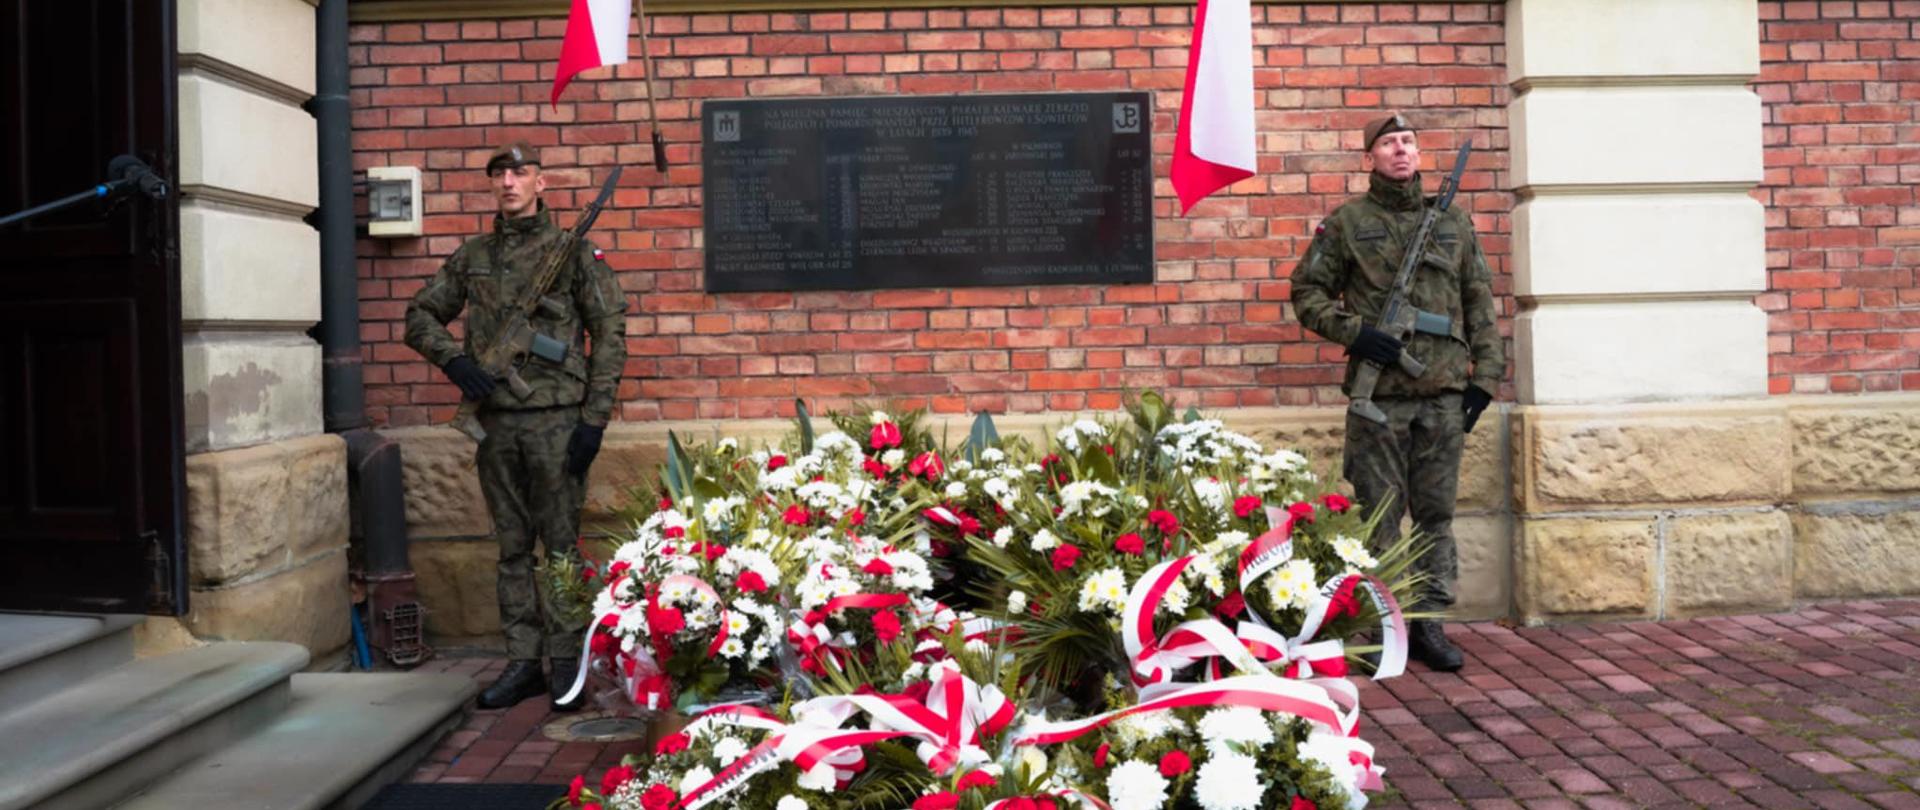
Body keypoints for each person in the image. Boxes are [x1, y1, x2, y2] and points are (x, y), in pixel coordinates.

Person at [405, 141, 628, 709]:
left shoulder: (574, 253)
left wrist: (594, 420)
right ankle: (523, 662)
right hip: (497, 425)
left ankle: (567, 665)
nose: (508, 182)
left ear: (540, 183)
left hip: (558, 422)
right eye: (499, 174)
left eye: (520, 173)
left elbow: (609, 335)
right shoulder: (474, 255)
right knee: (510, 550)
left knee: (559, 549)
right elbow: (420, 314)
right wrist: (453, 361)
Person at [1288, 113, 1505, 672]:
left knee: (1435, 516)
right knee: (1377, 517)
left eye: (1407, 142)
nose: (1400, 151)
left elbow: (1478, 299)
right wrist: (1357, 333)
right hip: (1378, 400)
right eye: (1388, 144)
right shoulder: (1347, 224)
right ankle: (1383, 625)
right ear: (1371, 156)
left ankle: (1429, 625)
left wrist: (1485, 379)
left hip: (1442, 395)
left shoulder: (1453, 223)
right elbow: (1307, 293)